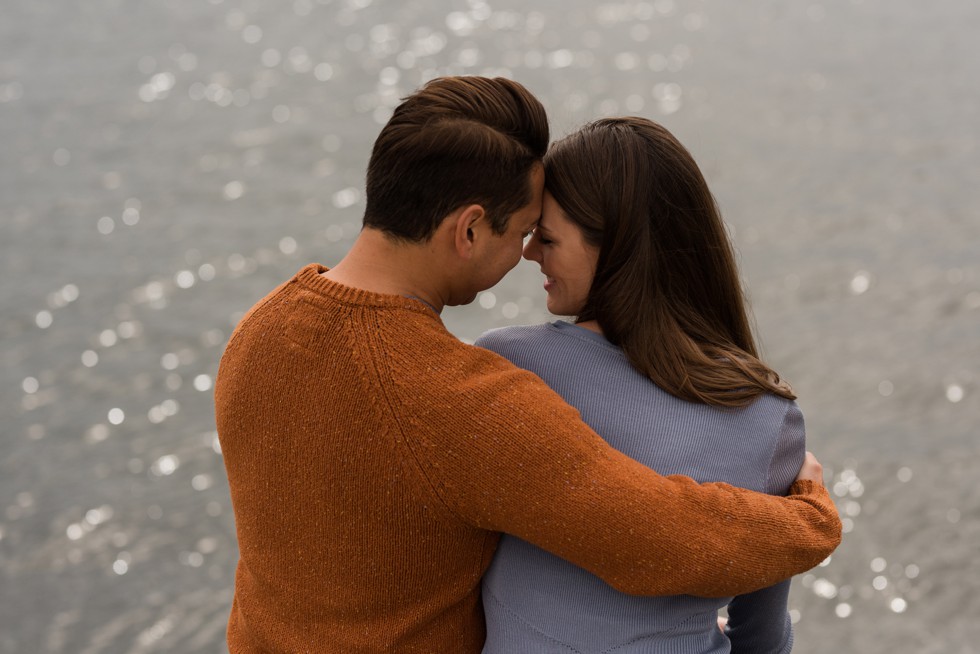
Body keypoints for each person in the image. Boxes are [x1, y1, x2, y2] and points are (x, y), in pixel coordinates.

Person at [214, 77, 841, 653]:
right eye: (520, 233)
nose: (526, 255)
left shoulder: (256, 332)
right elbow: (659, 539)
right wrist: (807, 518)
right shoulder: (460, 403)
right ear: (468, 230)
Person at [478, 116, 814, 653]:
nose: (529, 253)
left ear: (612, 248)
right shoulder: (769, 418)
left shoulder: (512, 368)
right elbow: (763, 635)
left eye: (546, 237)